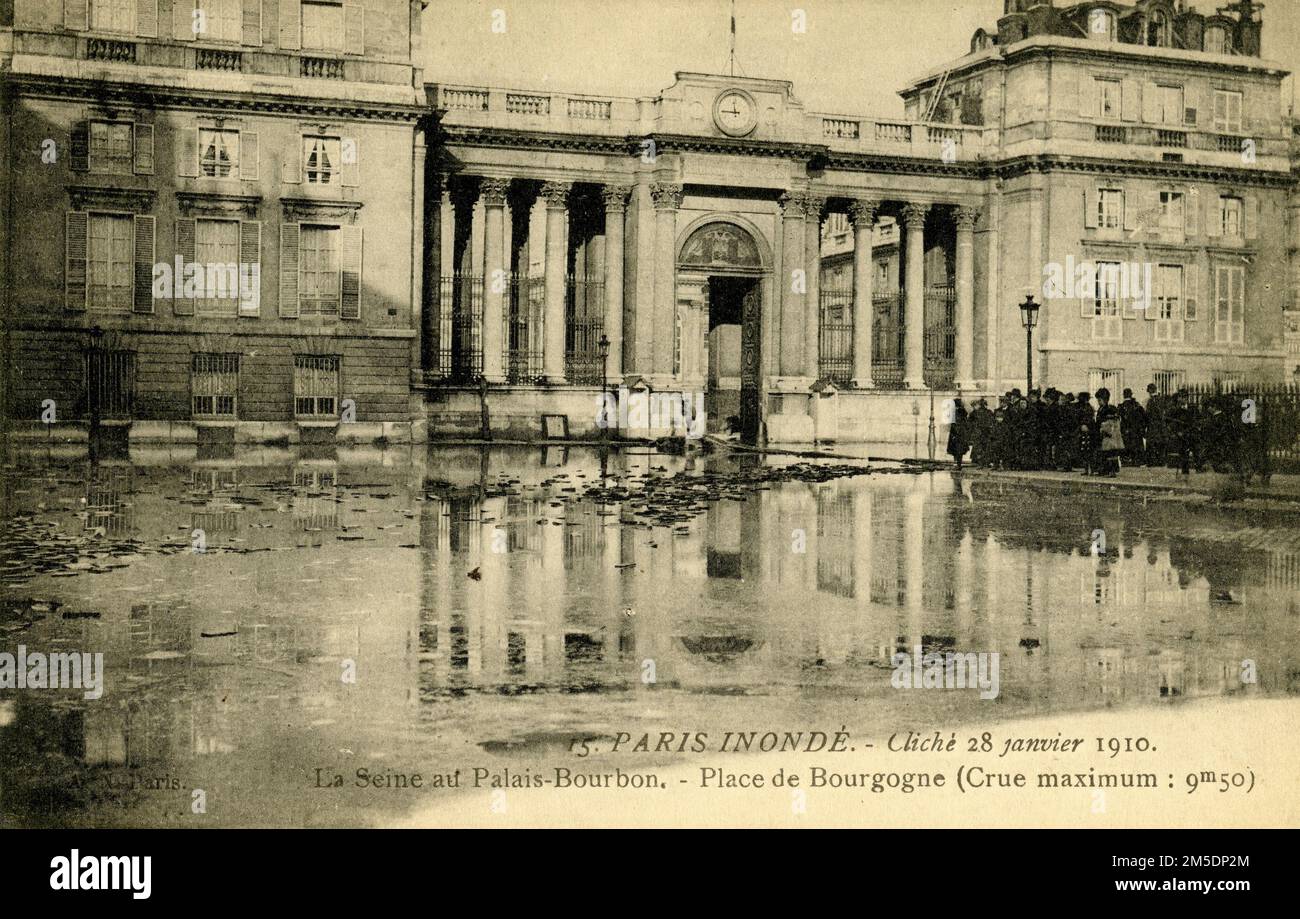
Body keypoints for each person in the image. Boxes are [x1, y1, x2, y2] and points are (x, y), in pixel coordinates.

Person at [1095, 388, 1123, 476]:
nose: (1098, 402)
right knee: (1104, 452)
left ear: (1105, 399)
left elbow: (1112, 423)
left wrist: (1104, 428)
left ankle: (1111, 470)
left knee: (1111, 452)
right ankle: (1104, 469)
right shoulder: (1101, 408)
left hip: (1108, 434)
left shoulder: (1109, 409)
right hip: (1102, 433)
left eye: (1100, 400)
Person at [1117, 388, 1147, 468]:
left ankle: (1127, 461)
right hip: (1136, 430)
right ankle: (1137, 461)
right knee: (1136, 445)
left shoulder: (1121, 406)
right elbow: (1144, 417)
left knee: (1126, 445)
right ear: (1131, 395)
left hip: (1126, 430)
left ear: (1123, 395)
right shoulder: (1137, 405)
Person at [969, 398, 994, 466]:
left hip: (981, 432)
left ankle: (979, 462)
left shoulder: (976, 412)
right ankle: (984, 462)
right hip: (984, 432)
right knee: (983, 447)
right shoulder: (988, 412)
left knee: (980, 447)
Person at [1075, 391, 1095, 475]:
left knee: (1086, 450)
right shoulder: (1089, 407)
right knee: (1086, 450)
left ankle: (1088, 469)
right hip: (1087, 430)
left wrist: (1083, 425)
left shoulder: (1084, 408)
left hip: (1086, 431)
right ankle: (1087, 469)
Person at [946, 397, 970, 468]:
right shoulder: (963, 412)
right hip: (961, 433)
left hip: (956, 432)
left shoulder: (956, 412)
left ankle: (957, 463)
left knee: (955, 449)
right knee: (959, 450)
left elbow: (953, 423)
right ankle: (958, 463)